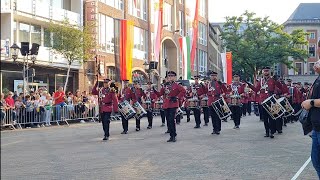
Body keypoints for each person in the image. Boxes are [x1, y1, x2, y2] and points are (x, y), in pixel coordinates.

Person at [247, 66, 283, 138]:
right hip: (262, 101)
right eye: (264, 71)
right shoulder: (260, 80)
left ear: (269, 72)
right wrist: (250, 85)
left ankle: (271, 131)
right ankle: (267, 131)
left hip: (271, 100)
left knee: (272, 117)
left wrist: (277, 81)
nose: (266, 72)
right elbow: (256, 89)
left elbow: (280, 87)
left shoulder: (272, 80)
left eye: (267, 71)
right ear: (262, 72)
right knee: (265, 118)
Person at [301, 60, 320, 178]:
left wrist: (311, 103)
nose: (316, 63)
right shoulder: (317, 79)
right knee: (316, 162)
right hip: (316, 127)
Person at [154, 71, 186, 142]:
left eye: (171, 76)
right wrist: (155, 90)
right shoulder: (165, 85)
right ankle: (171, 135)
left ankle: (173, 135)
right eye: (169, 76)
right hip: (166, 105)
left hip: (173, 104)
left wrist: (177, 97)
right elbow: (160, 94)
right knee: (168, 121)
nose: (170, 77)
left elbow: (183, 91)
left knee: (171, 120)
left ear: (174, 77)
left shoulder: (177, 85)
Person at [202, 71, 227, 135]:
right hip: (210, 101)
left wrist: (222, 85)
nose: (213, 77)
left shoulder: (219, 83)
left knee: (218, 116)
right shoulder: (208, 84)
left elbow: (226, 90)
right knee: (212, 116)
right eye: (212, 76)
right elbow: (205, 91)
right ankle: (214, 129)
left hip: (217, 100)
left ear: (216, 76)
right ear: (210, 77)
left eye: (214, 76)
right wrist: (202, 86)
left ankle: (218, 129)